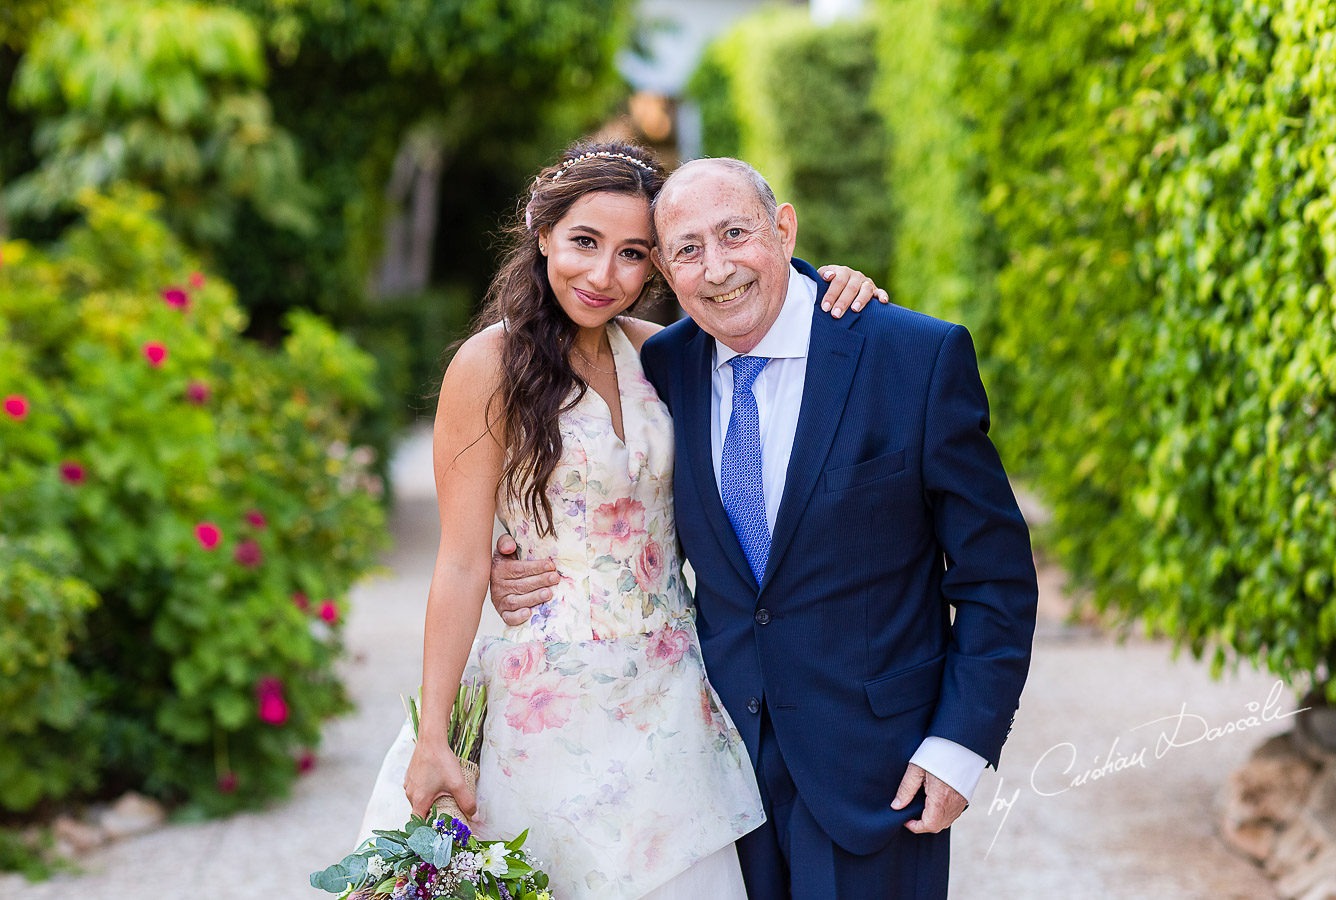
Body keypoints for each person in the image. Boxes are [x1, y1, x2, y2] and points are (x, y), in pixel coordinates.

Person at [490, 158, 1038, 900]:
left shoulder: (911, 356)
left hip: (878, 767)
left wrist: (960, 744)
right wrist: (522, 558)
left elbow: (994, 576)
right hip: (712, 771)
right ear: (665, 269)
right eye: (687, 249)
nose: (717, 269)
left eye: (736, 234)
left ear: (784, 231)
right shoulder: (665, 365)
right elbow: (620, 503)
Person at [355, 142, 887, 900]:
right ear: (543, 235)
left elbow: (765, 319)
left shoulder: (663, 352)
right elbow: (464, 561)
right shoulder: (486, 368)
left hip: (673, 694)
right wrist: (436, 734)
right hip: (542, 702)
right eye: (584, 243)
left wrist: (835, 286)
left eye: (633, 254)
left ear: (659, 267)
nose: (604, 276)